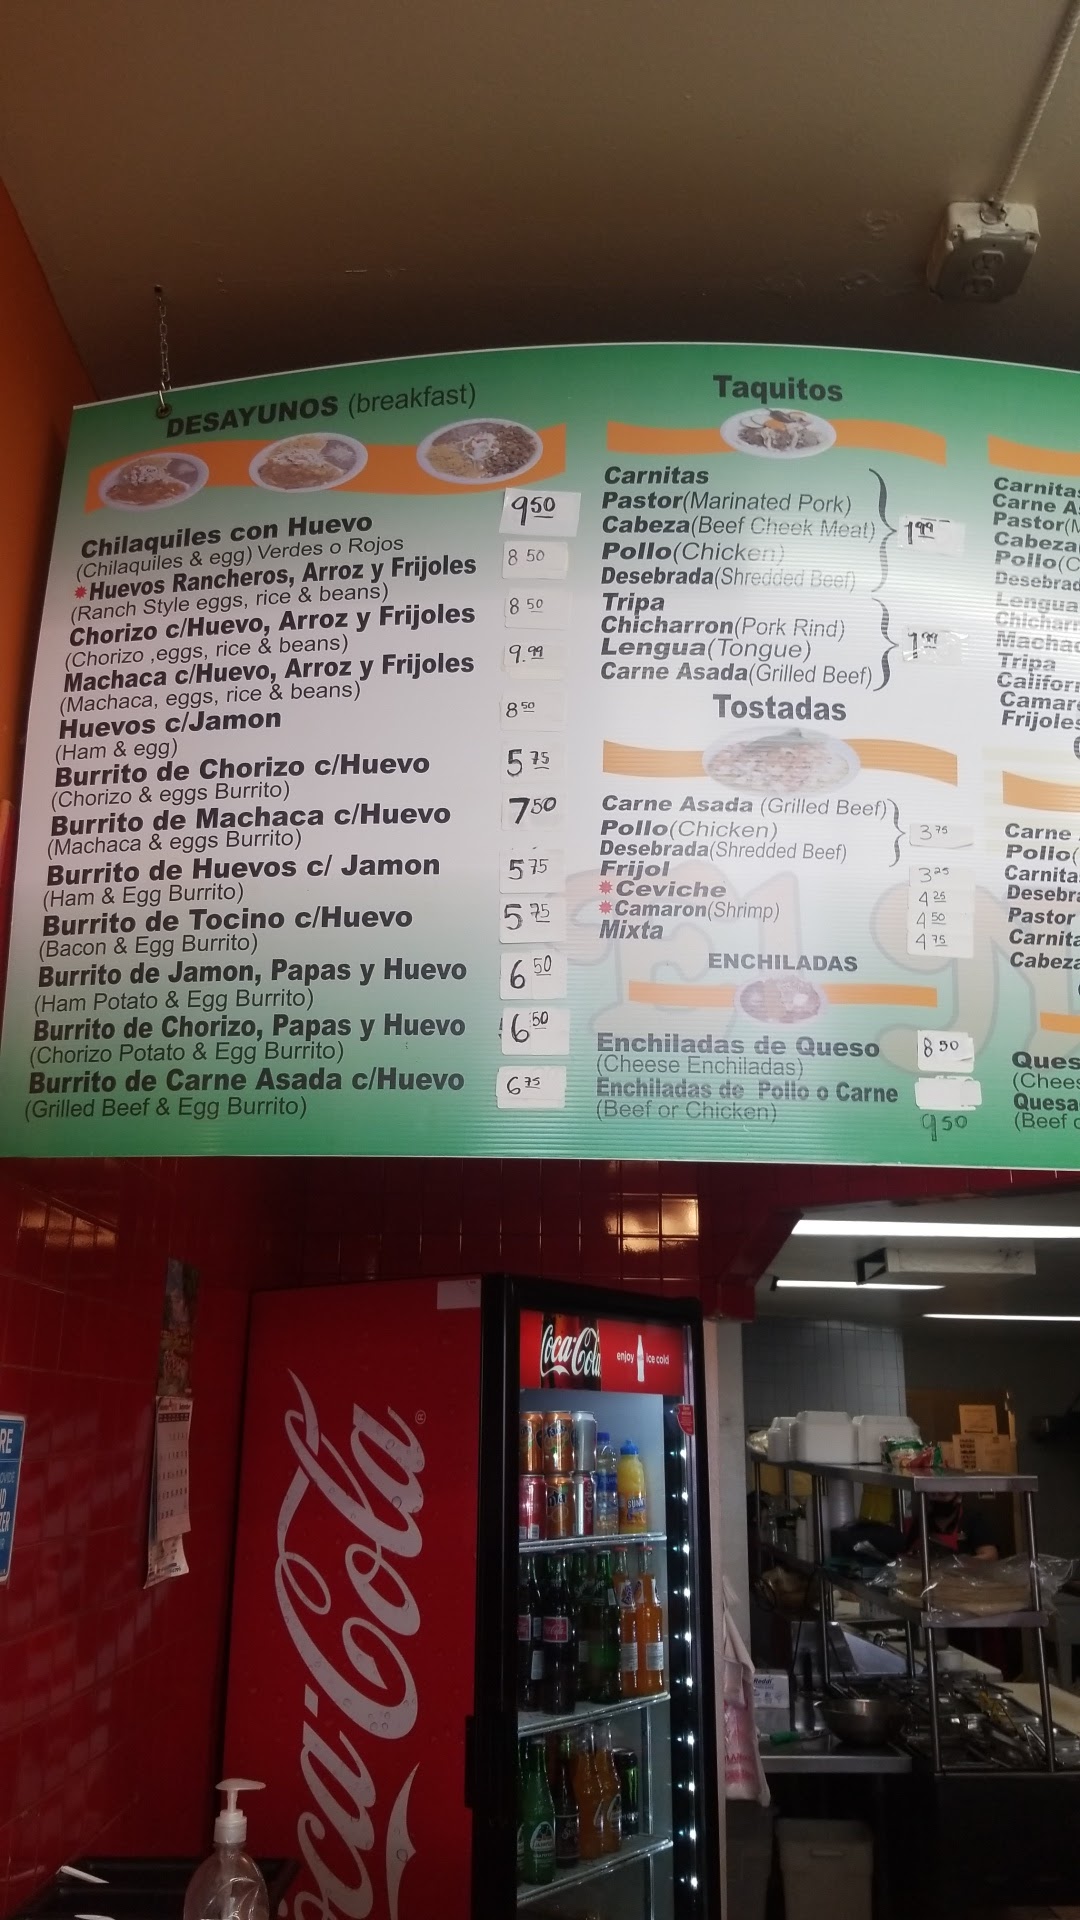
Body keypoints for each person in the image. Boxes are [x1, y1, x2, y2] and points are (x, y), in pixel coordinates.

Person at [904, 1492, 998, 1561]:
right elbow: (908, 1556)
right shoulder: (921, 1522)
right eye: (933, 1494)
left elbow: (991, 1555)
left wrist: (955, 1565)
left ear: (958, 1497)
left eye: (943, 1495)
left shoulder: (973, 1520)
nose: (937, 1499)